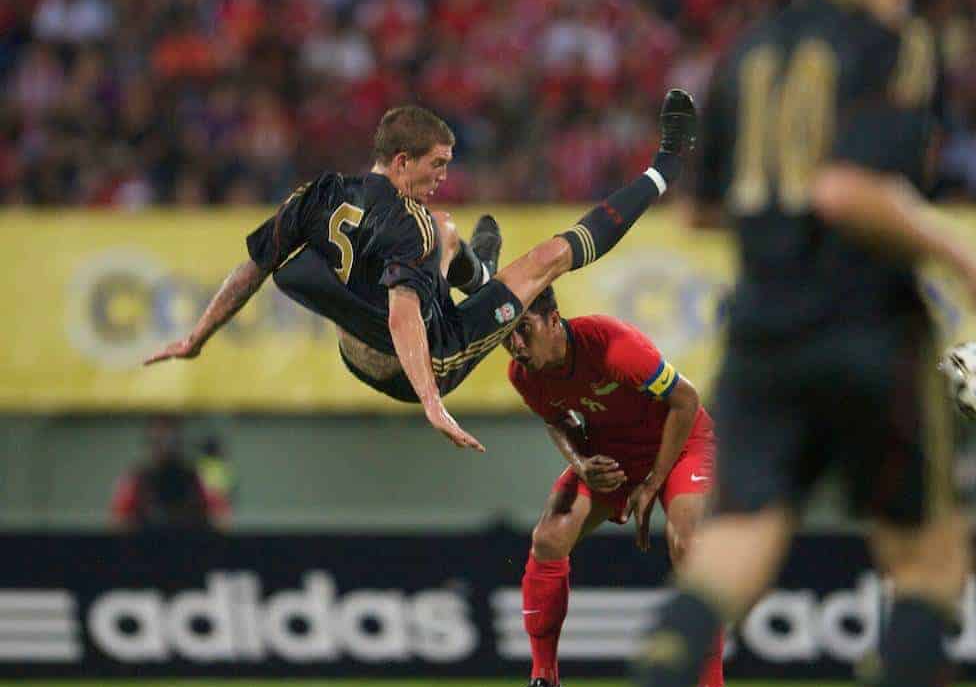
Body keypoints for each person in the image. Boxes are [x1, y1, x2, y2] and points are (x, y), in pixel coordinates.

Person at [619, 0, 976, 687]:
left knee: (736, 545)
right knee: (928, 553)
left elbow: (700, 211)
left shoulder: (748, 51)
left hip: (762, 329)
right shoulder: (890, 41)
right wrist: (966, 259)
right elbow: (845, 191)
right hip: (869, 326)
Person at [144, 91, 698, 452]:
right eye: (437, 165)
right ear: (403, 161)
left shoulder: (316, 195)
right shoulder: (407, 225)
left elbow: (250, 269)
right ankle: (665, 166)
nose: (442, 175)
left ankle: (474, 268)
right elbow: (404, 314)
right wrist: (434, 402)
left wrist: (198, 336)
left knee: (445, 234)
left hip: (358, 351)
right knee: (545, 264)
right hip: (422, 362)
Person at [502, 287, 726, 687]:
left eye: (524, 331)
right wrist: (582, 464)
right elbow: (559, 422)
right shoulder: (523, 374)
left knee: (689, 544)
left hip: (681, 446)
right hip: (611, 454)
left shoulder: (613, 346)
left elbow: (687, 400)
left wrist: (652, 483)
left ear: (554, 320)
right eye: (508, 337)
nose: (517, 347)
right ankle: (545, 685)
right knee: (549, 538)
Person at [111, 416, 231, 532]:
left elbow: (220, 518)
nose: (166, 447)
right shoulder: (137, 480)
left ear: (180, 442)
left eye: (171, 440)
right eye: (158, 441)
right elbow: (120, 521)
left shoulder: (197, 478)